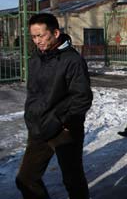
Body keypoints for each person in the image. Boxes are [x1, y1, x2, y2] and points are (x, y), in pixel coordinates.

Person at [16, 13, 93, 199]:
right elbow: (34, 93)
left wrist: (62, 120)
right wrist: (31, 117)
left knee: (73, 180)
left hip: (64, 130)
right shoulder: (35, 59)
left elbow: (82, 98)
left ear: (56, 33)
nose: (37, 41)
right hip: (39, 127)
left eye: (41, 35)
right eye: (33, 37)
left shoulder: (72, 60)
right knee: (26, 179)